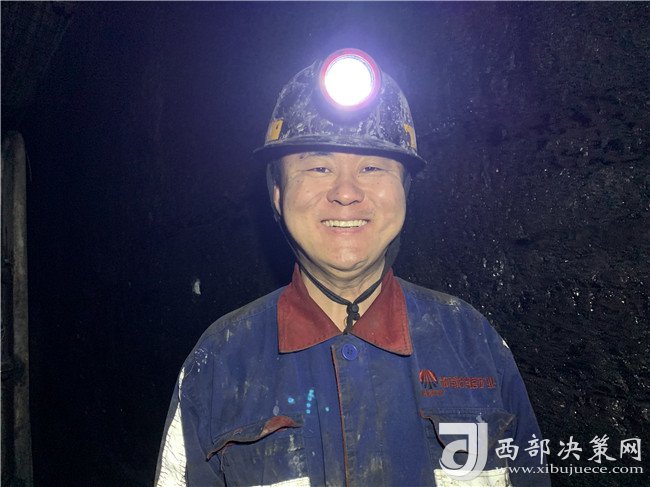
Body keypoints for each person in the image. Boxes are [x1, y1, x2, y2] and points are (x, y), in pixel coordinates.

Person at [155, 49, 551, 487]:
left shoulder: (473, 342)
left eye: (372, 166)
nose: (346, 192)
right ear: (278, 195)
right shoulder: (220, 362)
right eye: (319, 166)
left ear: (404, 192)